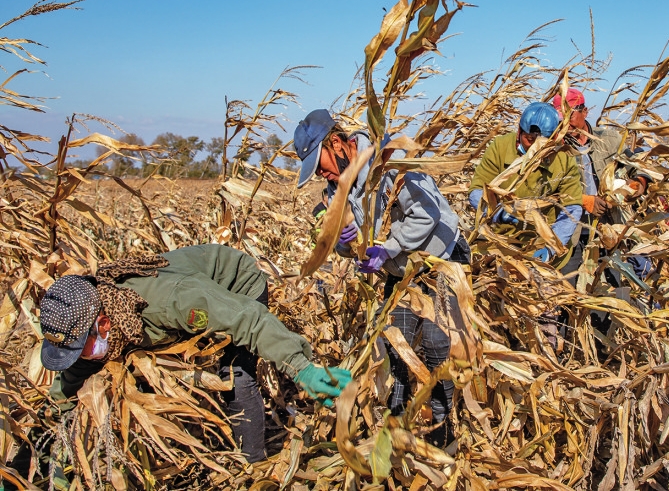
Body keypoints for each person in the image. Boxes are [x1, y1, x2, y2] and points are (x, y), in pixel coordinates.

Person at [37, 244, 351, 465]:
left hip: (235, 284)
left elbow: (245, 318)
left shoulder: (170, 302)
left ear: (103, 323)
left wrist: (302, 369)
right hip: (192, 297)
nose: (76, 357)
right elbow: (65, 393)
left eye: (78, 349)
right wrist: (32, 460)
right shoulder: (97, 326)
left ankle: (251, 462)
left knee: (234, 374)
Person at [294, 109, 467, 447]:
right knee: (393, 347)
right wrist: (348, 246)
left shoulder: (389, 159)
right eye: (317, 172)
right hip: (401, 272)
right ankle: (396, 435)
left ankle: (443, 437)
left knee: (436, 344)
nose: (324, 175)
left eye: (321, 165)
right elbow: (353, 246)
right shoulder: (336, 191)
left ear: (337, 143)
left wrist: (388, 248)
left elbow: (427, 214)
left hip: (440, 258)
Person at [468, 102, 584, 353]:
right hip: (497, 244)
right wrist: (498, 213)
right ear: (519, 131)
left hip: (538, 251)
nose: (535, 146)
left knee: (543, 315)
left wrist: (551, 247)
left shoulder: (563, 159)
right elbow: (476, 191)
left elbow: (572, 209)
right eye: (530, 139)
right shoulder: (500, 148)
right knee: (494, 316)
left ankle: (546, 364)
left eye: (542, 142)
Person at [551, 88, 654, 280]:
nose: (566, 122)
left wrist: (638, 184)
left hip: (608, 232)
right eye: (561, 116)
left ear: (585, 111)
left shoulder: (609, 139)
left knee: (609, 291)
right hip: (570, 236)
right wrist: (583, 201)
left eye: (570, 114)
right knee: (571, 296)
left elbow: (639, 165)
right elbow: (543, 191)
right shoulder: (553, 148)